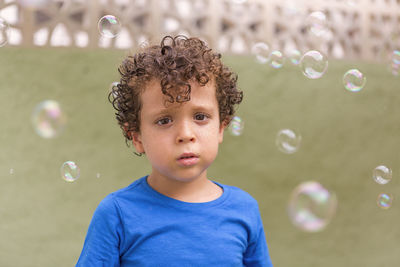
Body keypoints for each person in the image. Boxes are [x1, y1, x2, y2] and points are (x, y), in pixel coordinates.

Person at [76, 35, 273, 266]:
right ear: (136, 136)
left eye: (200, 117)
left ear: (221, 127)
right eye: (164, 120)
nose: (185, 134)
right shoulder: (117, 213)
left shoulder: (244, 209)